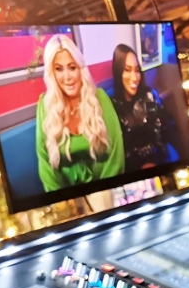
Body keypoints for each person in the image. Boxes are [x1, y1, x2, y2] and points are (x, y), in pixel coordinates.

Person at [36, 34, 124, 192]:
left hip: (106, 191)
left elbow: (115, 156)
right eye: (59, 69)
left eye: (72, 67)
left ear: (80, 69)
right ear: (52, 73)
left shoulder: (100, 98)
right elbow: (46, 165)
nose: (67, 77)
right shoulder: (45, 105)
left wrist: (104, 193)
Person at [110, 44, 179, 172]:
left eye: (137, 70)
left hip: (160, 160)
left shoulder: (149, 95)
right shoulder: (112, 106)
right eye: (127, 70)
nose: (134, 77)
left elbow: (165, 130)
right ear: (118, 71)